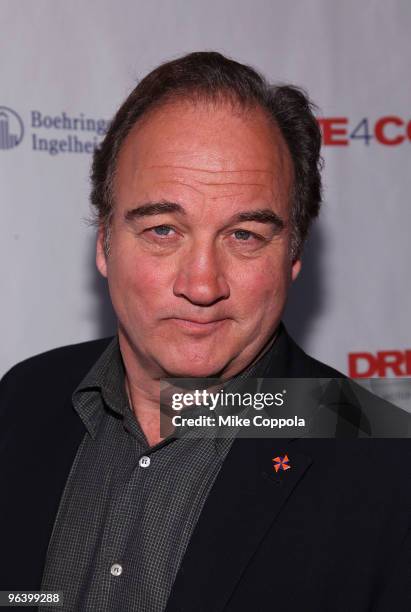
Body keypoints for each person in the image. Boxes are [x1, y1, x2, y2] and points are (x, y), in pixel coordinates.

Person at [0, 52, 409, 611]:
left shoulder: (388, 466)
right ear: (104, 244)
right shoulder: (24, 398)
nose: (201, 283)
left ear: (292, 256)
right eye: (164, 229)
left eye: (244, 236)